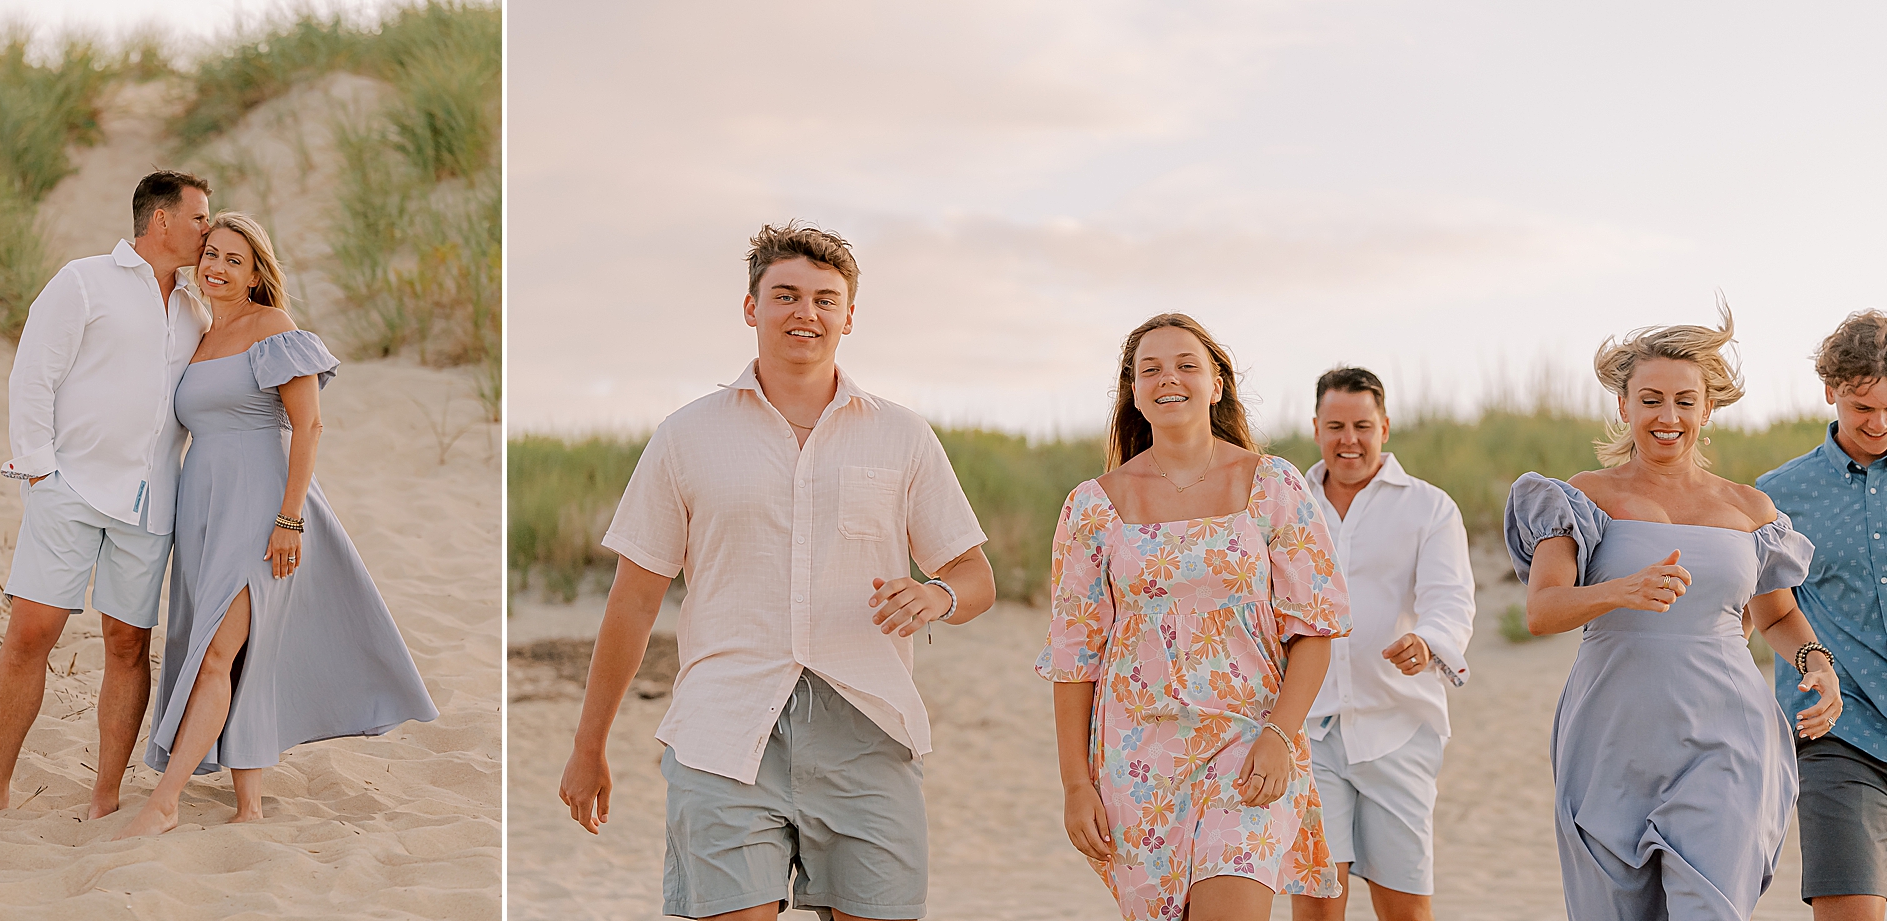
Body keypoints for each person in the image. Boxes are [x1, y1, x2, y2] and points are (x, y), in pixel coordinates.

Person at [557, 222, 997, 921]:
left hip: (868, 731)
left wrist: (936, 594)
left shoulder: (902, 434)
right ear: (750, 306)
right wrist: (589, 745)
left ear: (849, 316)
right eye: (786, 295)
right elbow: (636, 600)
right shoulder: (686, 435)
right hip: (723, 727)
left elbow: (974, 575)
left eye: (825, 299)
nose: (806, 312)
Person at [1504, 308, 1842, 919]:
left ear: (1707, 408)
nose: (1668, 417)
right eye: (1651, 399)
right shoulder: (1580, 497)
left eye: (1685, 401)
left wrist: (1816, 662)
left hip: (1727, 736)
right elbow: (1543, 611)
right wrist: (1620, 590)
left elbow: (1773, 616)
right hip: (1610, 737)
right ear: (1624, 406)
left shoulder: (1749, 507)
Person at [112, 212, 437, 838]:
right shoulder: (197, 336)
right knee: (235, 657)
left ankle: (166, 800)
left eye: (236, 259)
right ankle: (251, 805)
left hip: (262, 508)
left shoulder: (276, 329)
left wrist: (288, 518)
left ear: (258, 272)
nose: (217, 267)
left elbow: (309, 427)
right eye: (211, 253)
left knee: (216, 653)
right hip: (201, 512)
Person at [1040, 313, 1352, 921]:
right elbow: (1074, 658)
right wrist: (1076, 785)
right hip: (1138, 755)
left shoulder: (1273, 486)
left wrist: (1281, 733)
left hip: (1249, 742)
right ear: (1133, 391)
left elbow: (1313, 625)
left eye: (1187, 365)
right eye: (1149, 369)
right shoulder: (1093, 506)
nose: (1169, 379)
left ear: (1217, 383)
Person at [0, 171, 213, 821]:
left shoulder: (196, 304)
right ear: (161, 222)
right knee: (31, 632)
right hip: (69, 489)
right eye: (200, 217)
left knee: (126, 643)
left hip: (151, 504)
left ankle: (105, 795)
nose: (209, 229)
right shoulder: (83, 280)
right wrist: (40, 475)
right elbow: (33, 375)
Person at [1290, 368, 1474, 921]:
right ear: (1317, 427)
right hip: (1310, 731)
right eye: (1336, 426)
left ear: (1385, 427)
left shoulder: (1429, 508)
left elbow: (1450, 599)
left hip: (1398, 727)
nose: (1350, 439)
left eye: (1363, 425)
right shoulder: (1286, 503)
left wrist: (1428, 642)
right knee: (1320, 902)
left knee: (1405, 908)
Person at [1757, 309, 1887, 920]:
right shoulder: (1779, 496)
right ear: (1831, 391)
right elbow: (1768, 611)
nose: (1879, 423)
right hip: (1840, 733)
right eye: (1863, 408)